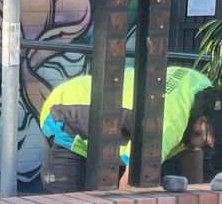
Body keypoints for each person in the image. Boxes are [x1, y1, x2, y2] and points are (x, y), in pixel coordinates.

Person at [37, 64, 211, 186]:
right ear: (203, 123)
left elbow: (192, 151)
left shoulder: (202, 91)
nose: (208, 148)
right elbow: (129, 188)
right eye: (209, 144)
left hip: (110, 123)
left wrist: (197, 201)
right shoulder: (166, 125)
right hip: (66, 114)